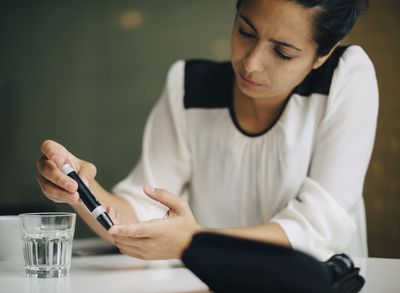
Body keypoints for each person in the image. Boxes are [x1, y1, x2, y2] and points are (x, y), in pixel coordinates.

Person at [36, 0, 378, 261]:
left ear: (323, 54)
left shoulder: (345, 77)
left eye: (283, 52)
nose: (251, 62)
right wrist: (79, 189)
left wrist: (195, 241)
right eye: (245, 31)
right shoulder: (188, 87)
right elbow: (141, 213)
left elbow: (320, 227)